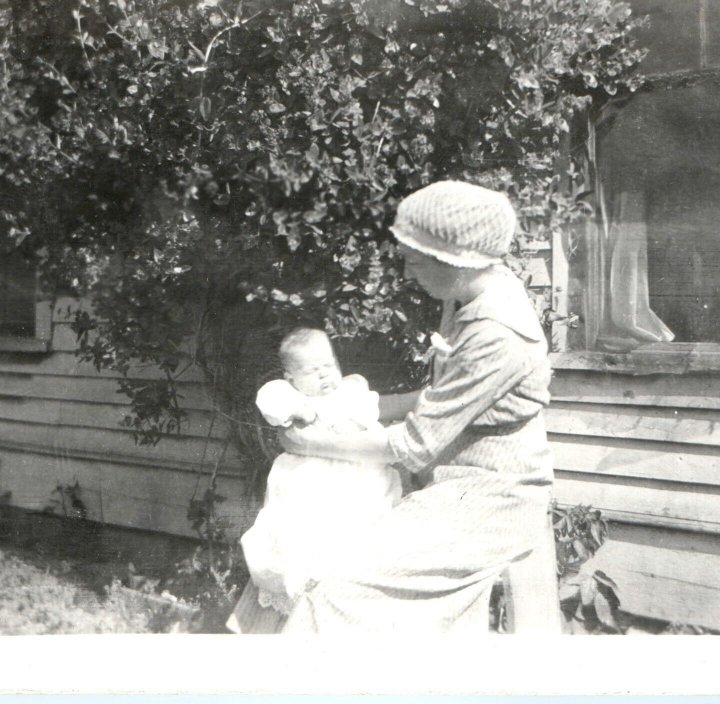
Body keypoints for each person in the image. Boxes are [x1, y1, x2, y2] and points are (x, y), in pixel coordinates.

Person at [274, 179, 554, 633]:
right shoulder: (466, 295)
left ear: (455, 260)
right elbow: (432, 402)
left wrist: (308, 443)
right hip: (449, 484)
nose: (406, 274)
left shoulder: (498, 334)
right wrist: (338, 406)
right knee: (310, 552)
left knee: (335, 585)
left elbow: (412, 447)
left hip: (492, 499)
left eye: (413, 261)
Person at [227, 328, 402, 632]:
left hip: (356, 486)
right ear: (292, 377)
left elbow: (383, 405)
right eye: (312, 371)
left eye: (329, 366)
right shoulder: (289, 394)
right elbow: (269, 399)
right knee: (303, 542)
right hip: (309, 487)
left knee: (356, 539)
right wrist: (299, 407)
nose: (324, 376)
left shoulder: (350, 395)